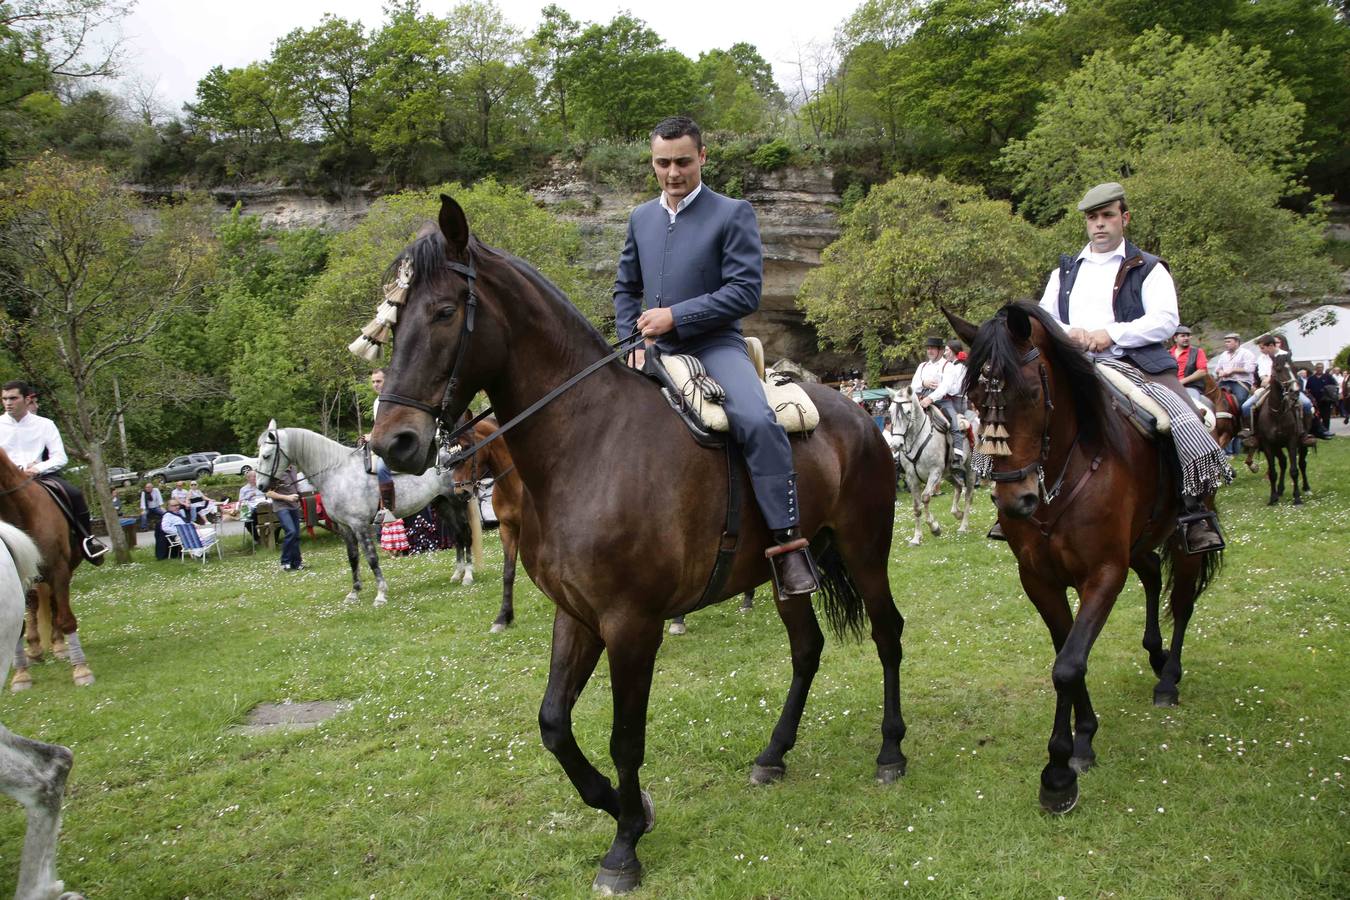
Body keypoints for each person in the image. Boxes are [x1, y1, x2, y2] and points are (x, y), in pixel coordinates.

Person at [613, 115, 816, 598]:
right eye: (662, 163)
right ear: (652, 163)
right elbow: (626, 287)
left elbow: (745, 292)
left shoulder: (733, 212)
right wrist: (631, 342)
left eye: (683, 161)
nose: (673, 172)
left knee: (757, 418)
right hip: (652, 349)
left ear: (702, 157)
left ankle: (788, 546)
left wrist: (675, 317)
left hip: (716, 345)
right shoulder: (640, 217)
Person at [1027, 182, 1229, 553]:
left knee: (1182, 417)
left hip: (1138, 363)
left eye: (1107, 216)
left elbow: (1166, 320)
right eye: (1093, 218)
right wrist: (1074, 335)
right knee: (1022, 410)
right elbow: (1045, 320)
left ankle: (1195, 512)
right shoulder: (1064, 272)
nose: (1099, 224)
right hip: (1076, 364)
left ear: (1124, 218)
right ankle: (1012, 503)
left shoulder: (1148, 268)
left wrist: (1111, 334)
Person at [0, 379, 107, 562]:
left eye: (13, 398)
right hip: (5, 481)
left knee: (75, 494)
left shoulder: (45, 424)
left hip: (39, 477)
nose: (8, 403)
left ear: (27, 400)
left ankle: (86, 541)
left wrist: (37, 468)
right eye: (4, 399)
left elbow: (60, 457)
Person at [365, 368, 397, 525]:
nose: (375, 385)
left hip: (395, 442)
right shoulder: (377, 402)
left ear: (387, 381)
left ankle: (388, 509)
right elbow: (378, 425)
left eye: (379, 381)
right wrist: (369, 436)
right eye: (373, 382)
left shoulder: (393, 400)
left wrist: (375, 436)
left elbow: (394, 425)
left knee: (382, 467)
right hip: (382, 442)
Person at [265, 464, 304, 570]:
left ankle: (297, 563)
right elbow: (268, 493)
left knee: (296, 535)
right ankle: (285, 561)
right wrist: (287, 497)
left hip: (294, 506)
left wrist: (298, 495)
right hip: (281, 506)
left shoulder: (294, 468)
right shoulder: (275, 470)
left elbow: (294, 487)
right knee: (291, 531)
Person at [1170, 326, 1209, 405]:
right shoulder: (1168, 353)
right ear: (1175, 338)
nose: (1186, 338)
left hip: (1191, 387)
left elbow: (1202, 371)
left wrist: (1181, 382)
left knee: (1193, 407)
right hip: (1170, 388)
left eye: (1188, 336)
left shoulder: (1197, 352)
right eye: (1183, 336)